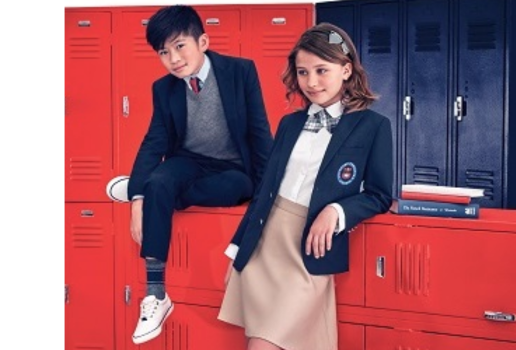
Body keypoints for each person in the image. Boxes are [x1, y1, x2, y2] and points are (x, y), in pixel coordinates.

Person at [217, 22, 393, 350]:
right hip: (264, 244)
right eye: (302, 72)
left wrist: (337, 211)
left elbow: (380, 195)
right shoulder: (290, 123)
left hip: (309, 251)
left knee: (264, 344)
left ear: (346, 70)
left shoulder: (374, 126)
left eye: (321, 70)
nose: (311, 82)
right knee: (259, 340)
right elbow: (265, 190)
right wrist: (238, 250)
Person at [106, 5, 274, 345]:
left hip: (232, 168)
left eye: (180, 46)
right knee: (159, 181)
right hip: (190, 161)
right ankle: (156, 294)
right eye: (164, 52)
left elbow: (259, 132)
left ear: (203, 41)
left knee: (232, 188)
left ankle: (155, 194)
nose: (173, 58)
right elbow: (155, 140)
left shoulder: (240, 72)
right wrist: (139, 199)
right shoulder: (163, 88)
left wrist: (270, 192)